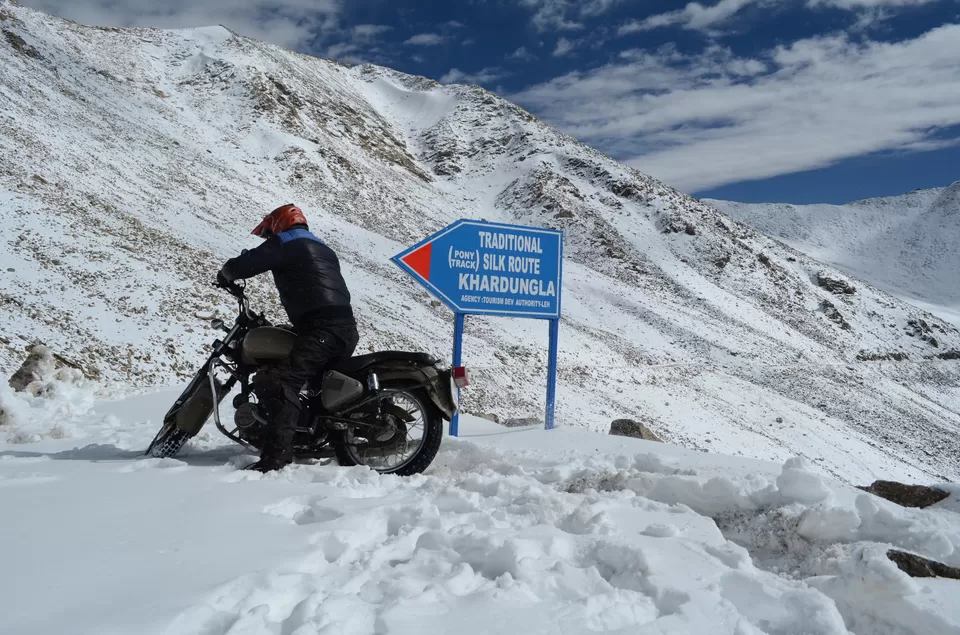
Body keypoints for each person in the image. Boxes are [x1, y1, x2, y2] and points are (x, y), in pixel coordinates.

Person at [217, 204, 359, 472]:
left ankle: (275, 458)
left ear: (280, 224)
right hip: (340, 328)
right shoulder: (323, 248)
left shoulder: (287, 243)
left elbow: (245, 264)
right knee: (311, 383)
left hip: (322, 329)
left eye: (271, 232)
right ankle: (306, 434)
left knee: (280, 382)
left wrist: (226, 274)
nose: (270, 236)